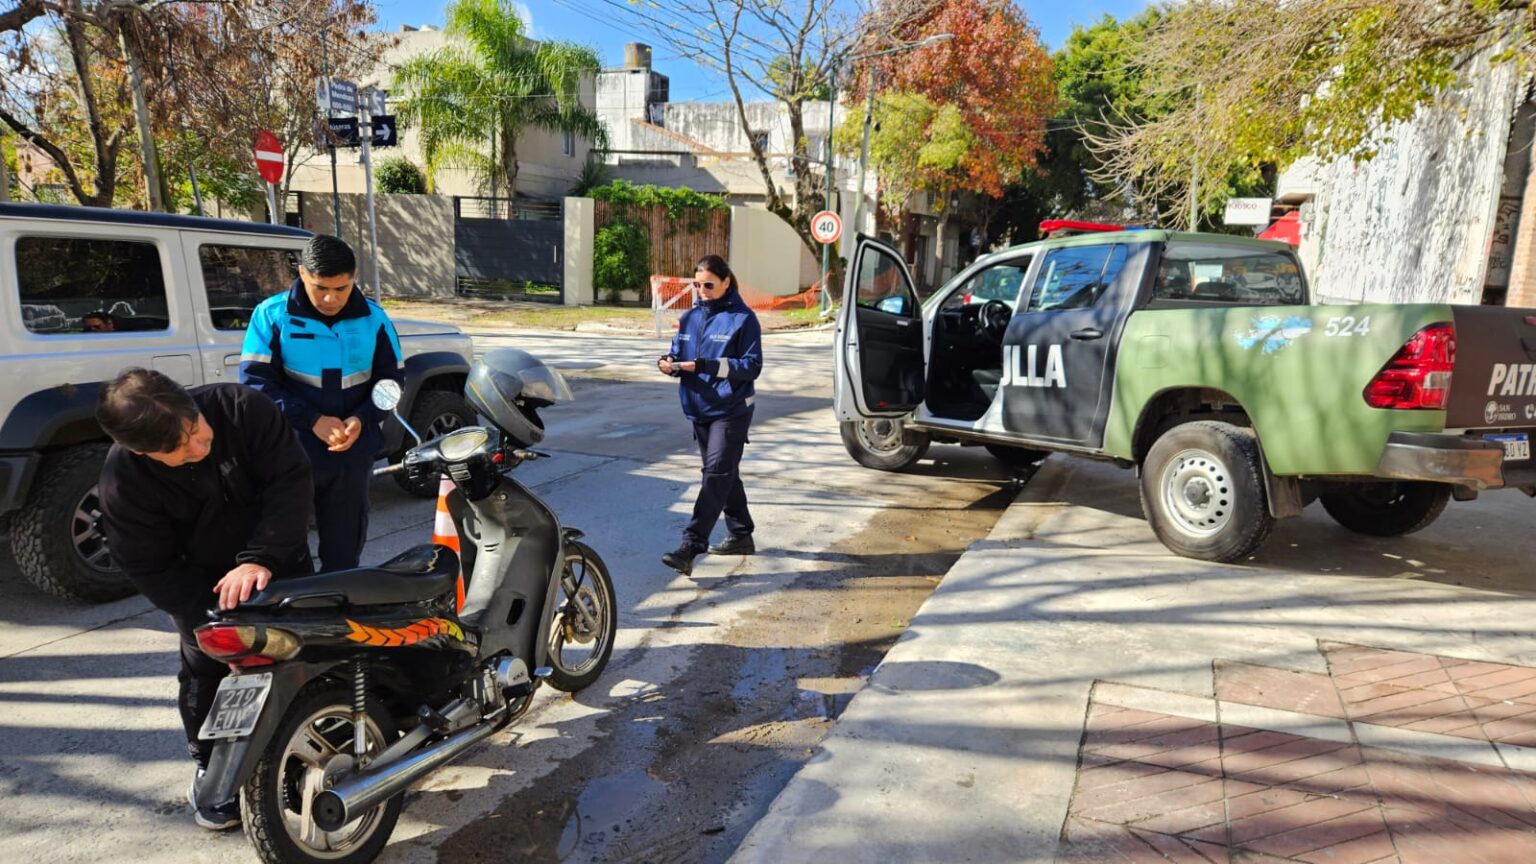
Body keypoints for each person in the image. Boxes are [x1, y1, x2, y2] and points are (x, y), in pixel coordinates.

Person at [95, 369, 314, 831]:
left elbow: (290, 481)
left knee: (308, 656)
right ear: (142, 452)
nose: (199, 447)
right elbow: (147, 565)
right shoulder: (124, 479)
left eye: (196, 429)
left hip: (277, 560)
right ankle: (212, 767)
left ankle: (311, 746)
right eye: (179, 448)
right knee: (207, 671)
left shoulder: (241, 409)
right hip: (198, 583)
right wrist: (212, 625)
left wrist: (261, 558)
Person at [240, 234, 403, 572]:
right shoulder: (271, 316)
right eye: (320, 288)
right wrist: (312, 419)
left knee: (344, 548)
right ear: (302, 273)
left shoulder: (374, 319)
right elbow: (256, 384)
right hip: (291, 451)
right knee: (285, 546)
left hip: (352, 452)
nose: (331, 299)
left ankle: (339, 598)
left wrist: (363, 419)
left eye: (341, 288)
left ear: (354, 278)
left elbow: (390, 382)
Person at [657, 254, 763, 575]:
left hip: (731, 409)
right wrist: (669, 363)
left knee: (716, 473)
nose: (702, 291)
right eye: (698, 285)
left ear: (726, 282)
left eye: (709, 285)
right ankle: (741, 533)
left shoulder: (743, 319)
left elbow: (751, 367)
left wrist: (706, 366)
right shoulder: (689, 317)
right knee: (723, 473)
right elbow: (678, 352)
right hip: (698, 408)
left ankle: (691, 545)